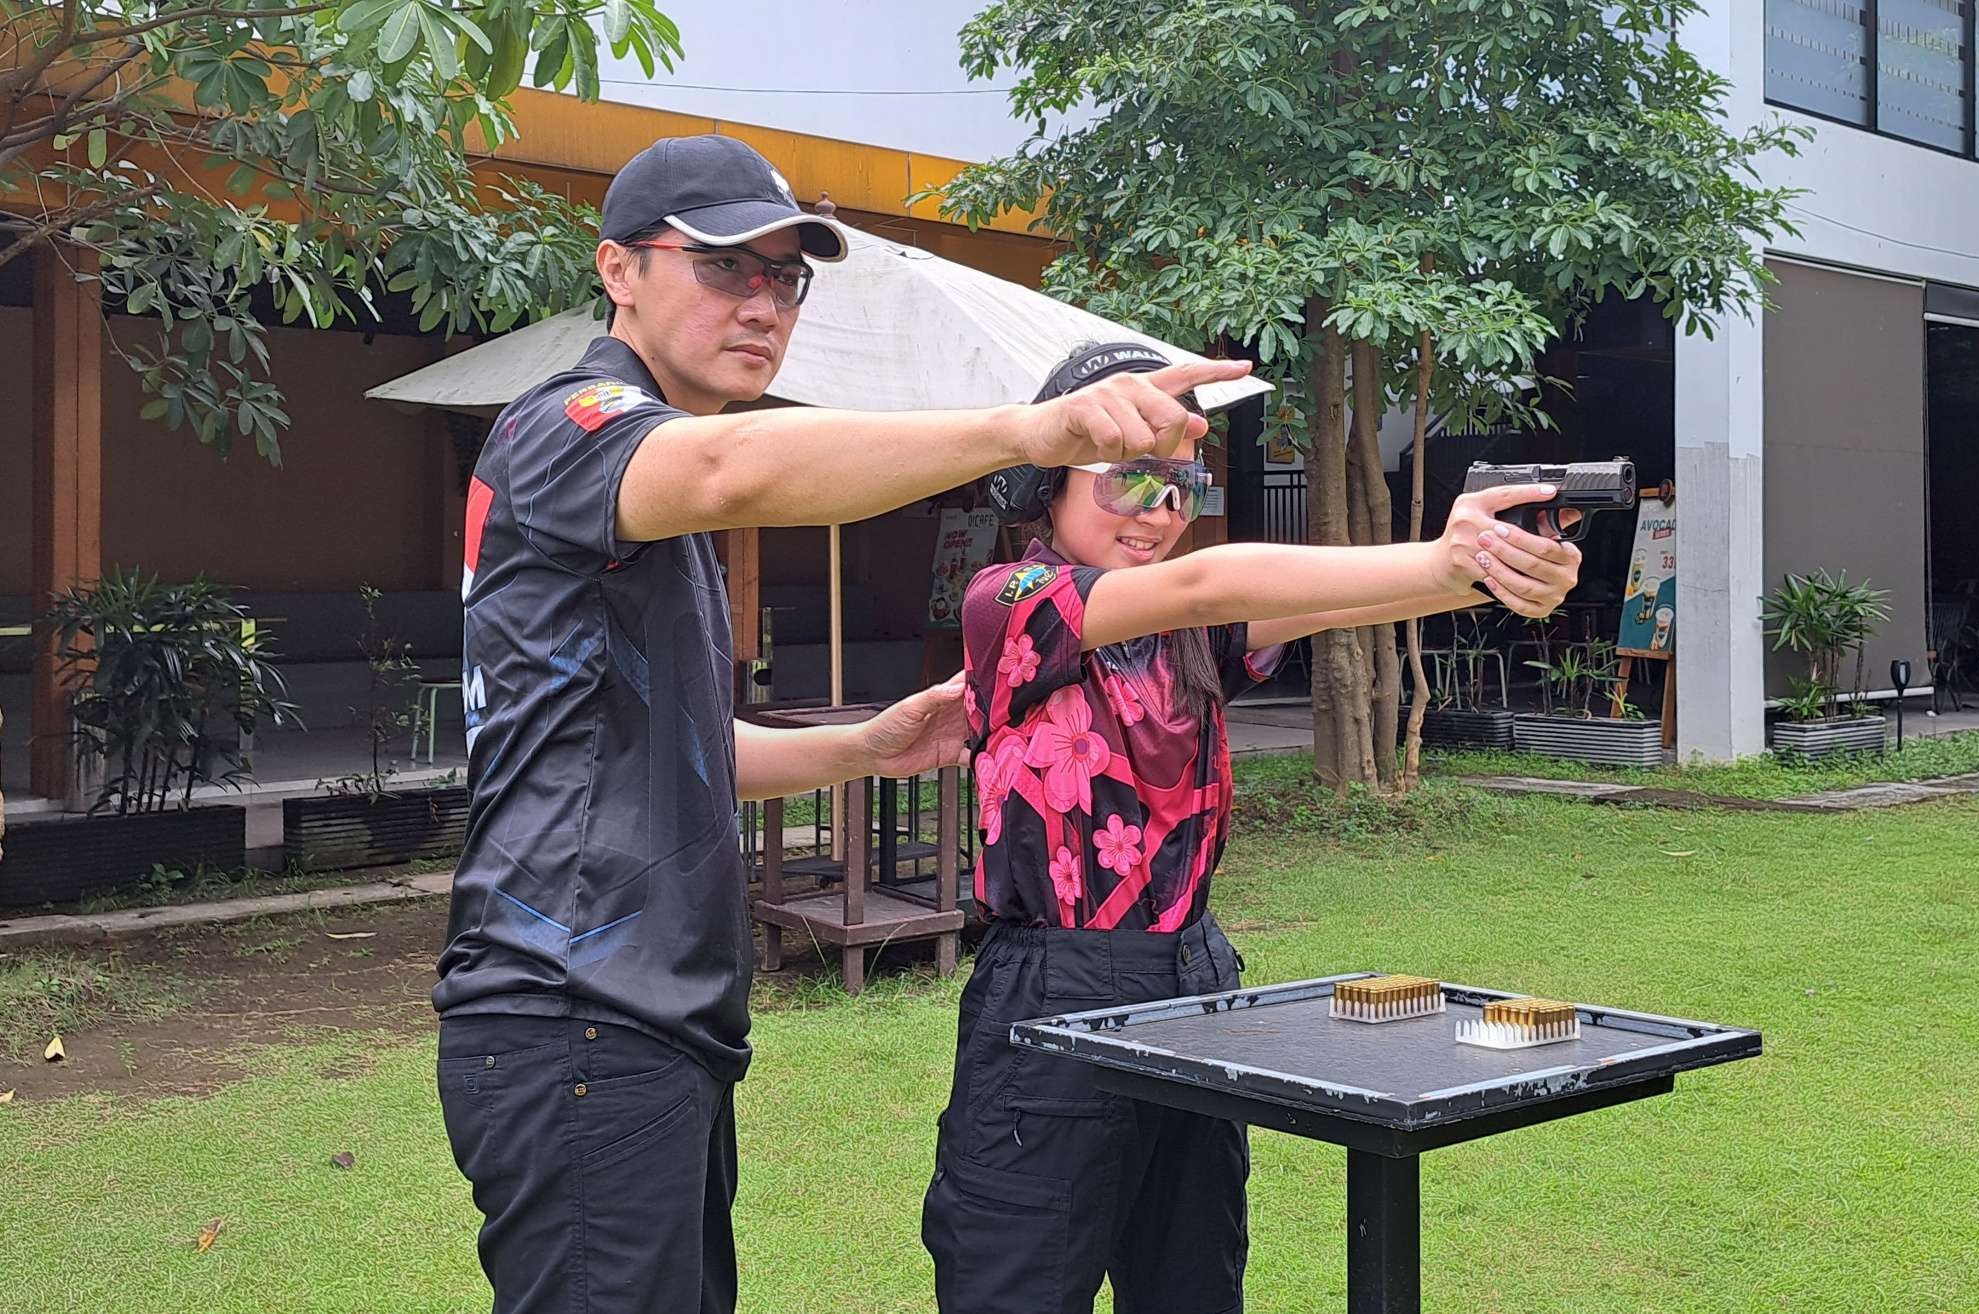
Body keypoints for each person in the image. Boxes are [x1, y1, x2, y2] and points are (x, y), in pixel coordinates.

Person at [433, 141, 1250, 1314]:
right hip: (576, 1013)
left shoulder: (641, 507)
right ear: (617, 268)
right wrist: (1029, 431)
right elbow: (729, 469)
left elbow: (685, 750)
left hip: (644, 1026)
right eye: (722, 268)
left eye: (784, 277)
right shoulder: (573, 425)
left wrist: (864, 748)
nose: (761, 301)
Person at [920, 343, 1584, 1314]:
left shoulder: (1189, 626)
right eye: (1125, 478)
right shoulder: (1008, 602)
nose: (1155, 509)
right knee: (1017, 1282)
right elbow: (1211, 585)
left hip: (1195, 975)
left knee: (1193, 1280)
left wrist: (1485, 569)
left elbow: (1335, 599)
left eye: (1177, 484)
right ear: (1047, 482)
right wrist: (1443, 556)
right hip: (1051, 987)